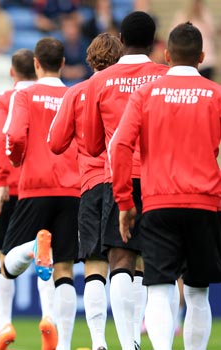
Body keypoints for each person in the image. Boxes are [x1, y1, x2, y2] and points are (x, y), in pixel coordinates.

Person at [109, 22, 221, 350]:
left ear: (167, 55)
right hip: (204, 202)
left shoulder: (146, 94)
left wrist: (126, 202)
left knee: (159, 286)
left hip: (158, 202)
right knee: (198, 291)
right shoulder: (216, 95)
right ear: (201, 56)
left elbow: (120, 146)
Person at [83, 11, 170, 350]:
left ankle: (128, 343)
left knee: (120, 259)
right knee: (160, 264)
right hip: (160, 179)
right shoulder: (164, 77)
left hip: (117, 179)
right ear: (154, 42)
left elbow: (91, 144)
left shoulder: (99, 82)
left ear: (120, 40)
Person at [2, 37, 80, 350]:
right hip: (72, 187)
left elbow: (15, 135)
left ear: (36, 64)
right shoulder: (76, 94)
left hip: (35, 185)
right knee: (64, 270)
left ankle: (35, 246)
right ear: (62, 63)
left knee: (7, 265)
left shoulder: (25, 94)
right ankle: (64, 346)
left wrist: (17, 159)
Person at [48, 32, 124, 350]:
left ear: (90, 59)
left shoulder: (77, 92)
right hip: (128, 180)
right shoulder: (133, 89)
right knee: (130, 262)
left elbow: (55, 142)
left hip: (92, 183)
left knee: (94, 264)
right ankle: (130, 340)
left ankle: (97, 343)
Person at [0, 48, 37, 350]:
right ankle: (51, 321)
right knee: (54, 259)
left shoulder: (2, 100)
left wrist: (1, 180)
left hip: (10, 188)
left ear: (11, 72)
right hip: (47, 187)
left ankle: (4, 324)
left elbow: (0, 139)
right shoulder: (53, 96)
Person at [172, 0, 217, 80]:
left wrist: (201, 18)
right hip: (188, 59)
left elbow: (212, 33)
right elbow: (175, 33)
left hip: (207, 60)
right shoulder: (182, 15)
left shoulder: (206, 15)